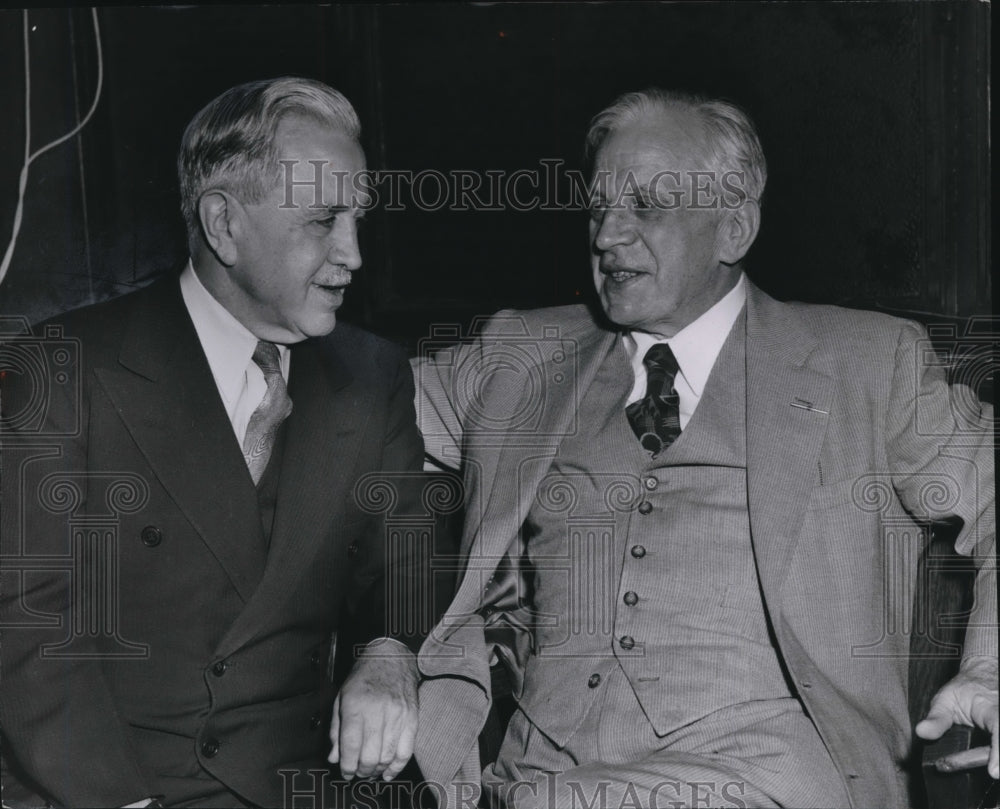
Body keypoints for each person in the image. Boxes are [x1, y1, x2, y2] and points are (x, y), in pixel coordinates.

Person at [411, 89, 996, 808]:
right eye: (598, 207)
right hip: (537, 774)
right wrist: (383, 646)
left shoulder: (869, 363)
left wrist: (991, 668)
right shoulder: (521, 356)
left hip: (767, 779)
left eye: (646, 206)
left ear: (734, 228)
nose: (607, 236)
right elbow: (348, 403)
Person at [0, 77, 425, 808]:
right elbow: (27, 624)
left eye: (358, 217)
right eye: (324, 220)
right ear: (223, 224)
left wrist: (388, 653)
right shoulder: (64, 368)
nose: (352, 254)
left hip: (309, 776)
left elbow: (404, 556)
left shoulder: (371, 372)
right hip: (121, 784)